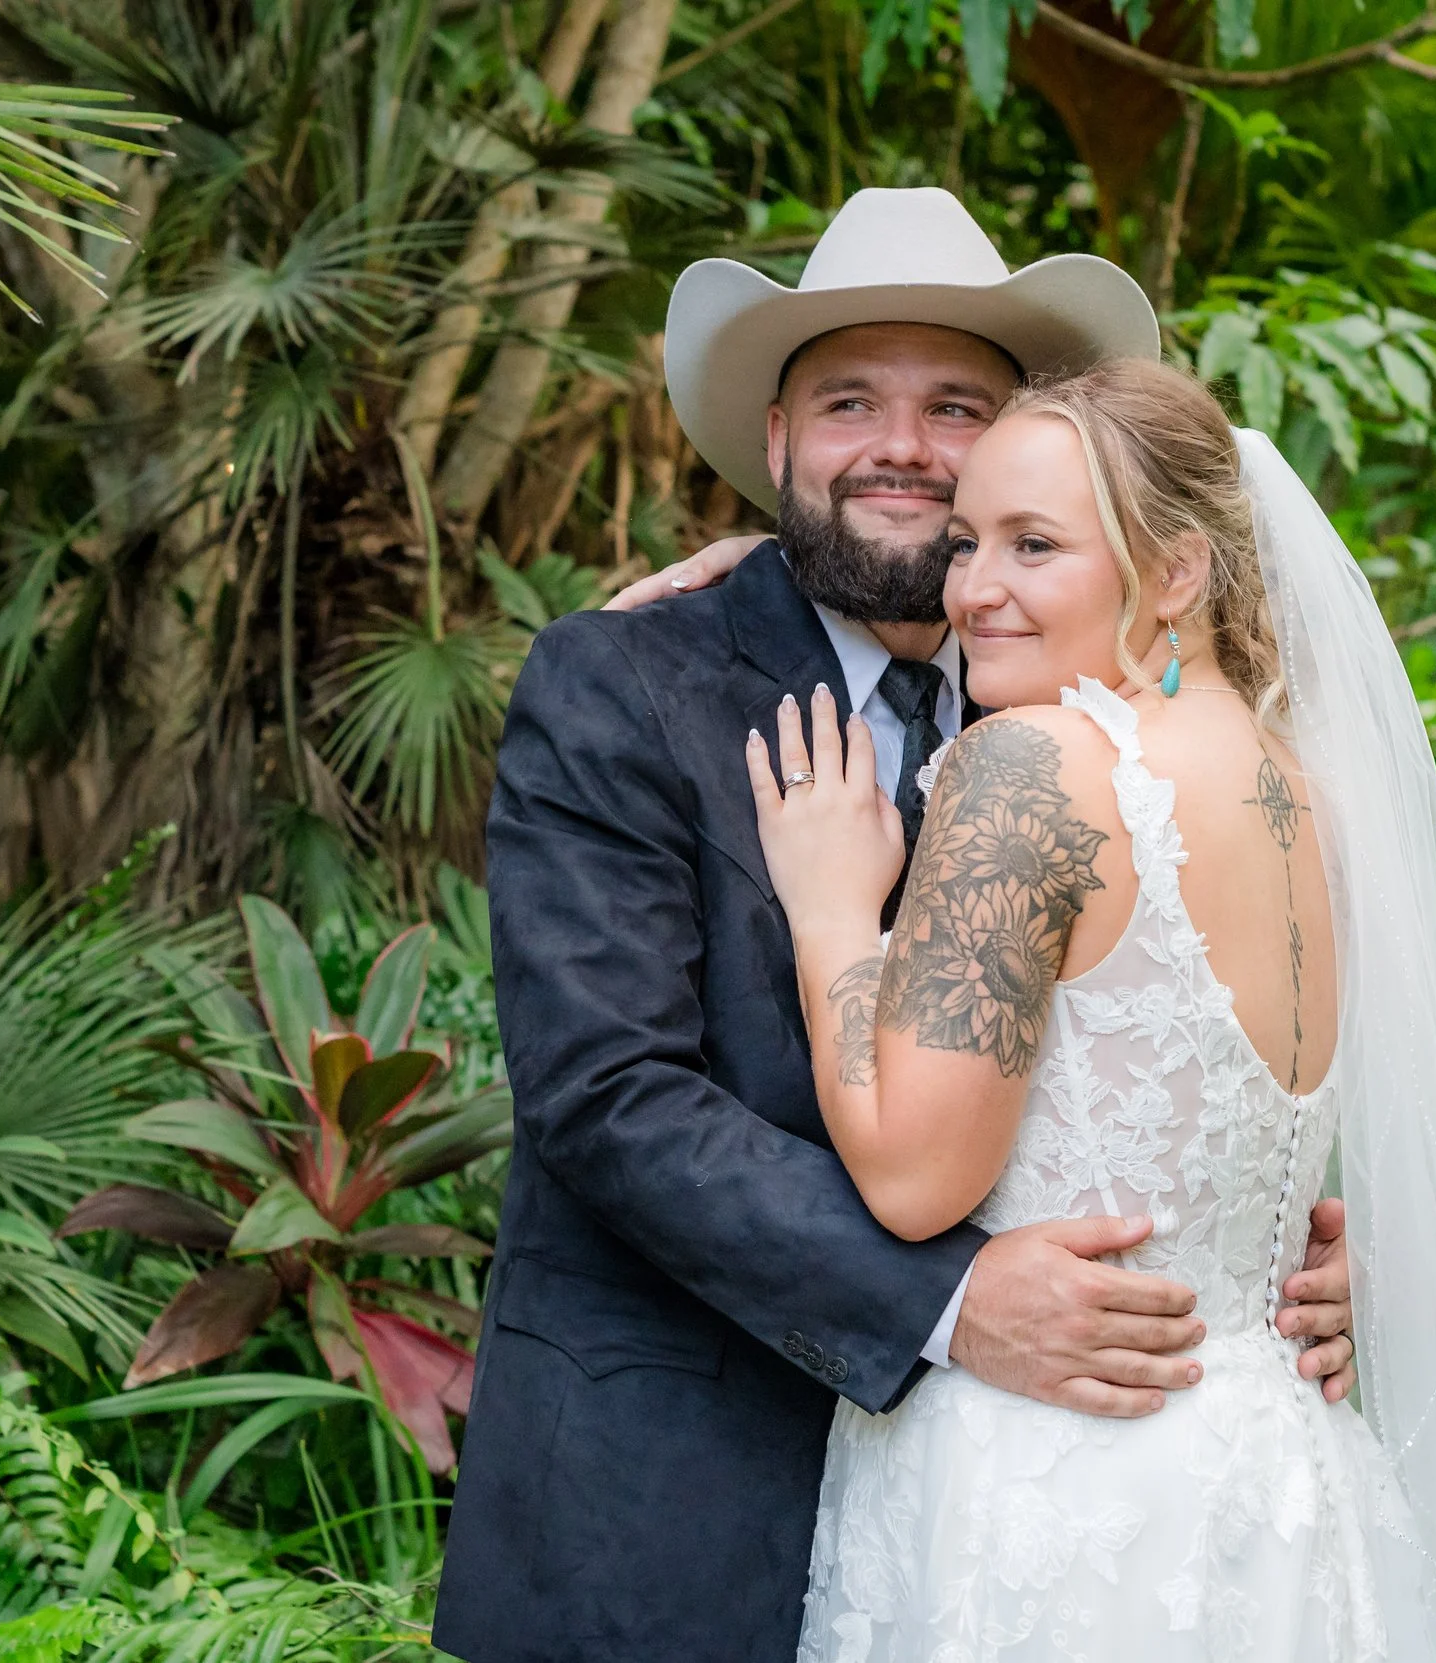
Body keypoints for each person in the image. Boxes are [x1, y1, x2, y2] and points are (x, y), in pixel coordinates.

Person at [434, 188, 1359, 1663]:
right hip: (672, 1513)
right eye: (851, 399)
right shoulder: (620, 683)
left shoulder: (1075, 726)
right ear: (781, 441)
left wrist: (1269, 1250)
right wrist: (949, 1299)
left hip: (1042, 1518)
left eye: (955, 406)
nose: (905, 448)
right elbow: (605, 1097)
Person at [745, 358, 1436, 1659]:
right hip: (1277, 1479)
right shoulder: (1312, 795)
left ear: (1176, 572)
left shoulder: (1033, 767)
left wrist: (835, 911)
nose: (972, 588)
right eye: (966, 541)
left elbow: (912, 1176)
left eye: (1034, 544)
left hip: (1054, 1486)